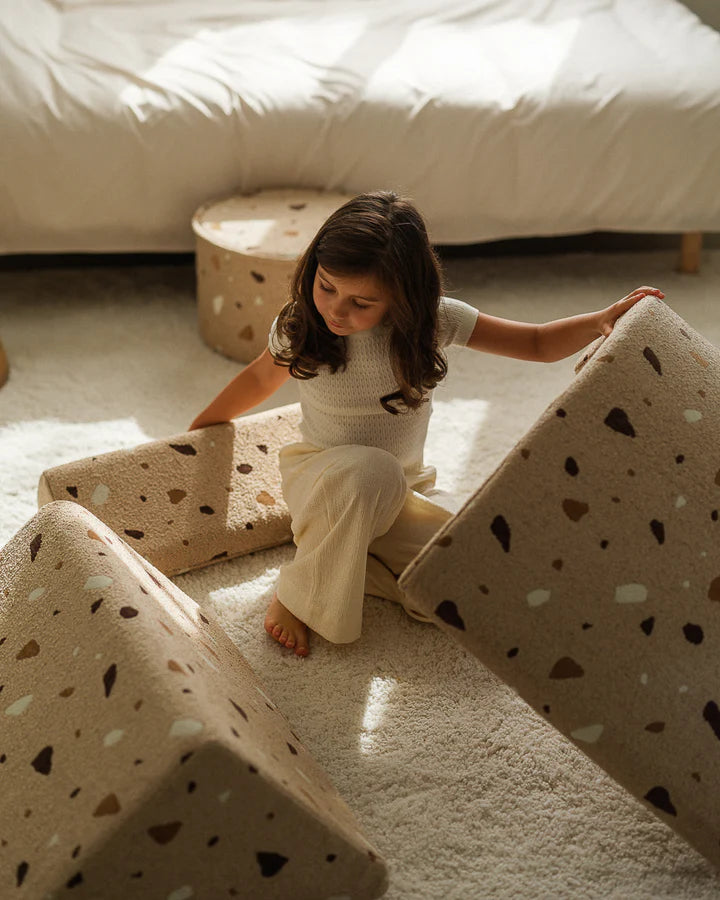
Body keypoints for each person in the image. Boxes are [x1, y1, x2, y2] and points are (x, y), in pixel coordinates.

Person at [190, 190, 664, 658]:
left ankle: (349, 567)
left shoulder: (434, 323)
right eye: (327, 286)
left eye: (362, 302)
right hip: (324, 482)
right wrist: (200, 430)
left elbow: (537, 344)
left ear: (402, 298)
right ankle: (296, 592)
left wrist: (599, 320)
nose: (336, 309)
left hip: (404, 493)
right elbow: (257, 378)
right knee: (371, 470)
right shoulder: (302, 325)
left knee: (479, 581)